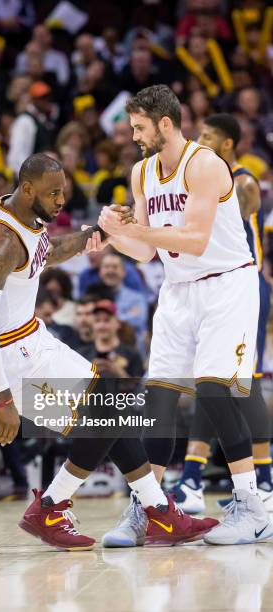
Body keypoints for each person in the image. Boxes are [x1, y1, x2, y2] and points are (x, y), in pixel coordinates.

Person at [0, 152, 216, 551]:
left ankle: (155, 512)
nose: (61, 200)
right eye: (53, 193)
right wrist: (3, 398)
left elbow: (45, 253)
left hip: (33, 337)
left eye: (62, 191)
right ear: (27, 188)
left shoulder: (23, 216)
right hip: (12, 357)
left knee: (109, 405)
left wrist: (95, 237)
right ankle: (58, 506)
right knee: (106, 409)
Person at [96, 84, 273, 545]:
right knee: (157, 401)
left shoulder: (206, 165)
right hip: (178, 291)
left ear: (165, 124)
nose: (133, 135)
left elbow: (194, 239)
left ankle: (253, 507)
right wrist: (115, 234)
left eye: (139, 127)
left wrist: (139, 230)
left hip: (227, 284)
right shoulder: (141, 173)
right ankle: (150, 508)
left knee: (215, 391)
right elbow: (145, 253)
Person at [170, 114, 273, 513]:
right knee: (212, 381)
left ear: (228, 145)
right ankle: (194, 476)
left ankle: (261, 477)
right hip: (213, 286)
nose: (199, 142)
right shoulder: (200, 180)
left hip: (242, 286)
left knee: (244, 381)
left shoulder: (243, 182)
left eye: (208, 137)